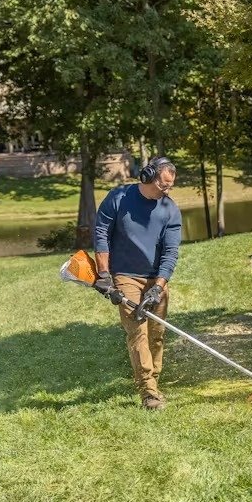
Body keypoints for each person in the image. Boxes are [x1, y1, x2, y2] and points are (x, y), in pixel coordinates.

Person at [93, 156, 182, 410]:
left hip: (156, 278)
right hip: (125, 276)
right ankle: (149, 392)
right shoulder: (119, 198)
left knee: (157, 335)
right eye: (163, 185)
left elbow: (170, 252)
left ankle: (153, 380)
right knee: (138, 331)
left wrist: (158, 287)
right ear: (147, 176)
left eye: (170, 187)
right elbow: (101, 232)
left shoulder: (170, 210)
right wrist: (104, 274)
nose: (167, 191)